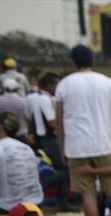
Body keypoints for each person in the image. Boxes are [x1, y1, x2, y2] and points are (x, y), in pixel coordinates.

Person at [55, 44, 111, 216]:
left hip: (76, 146)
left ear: (73, 62)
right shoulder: (107, 82)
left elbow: (59, 122)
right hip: (104, 143)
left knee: (87, 195)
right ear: (92, 60)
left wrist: (62, 147)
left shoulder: (64, 85)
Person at [26, 72, 71, 208]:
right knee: (65, 169)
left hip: (46, 137)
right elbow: (51, 121)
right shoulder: (44, 100)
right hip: (49, 138)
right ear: (50, 85)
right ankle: (44, 185)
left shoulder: (40, 98)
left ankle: (61, 199)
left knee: (61, 168)